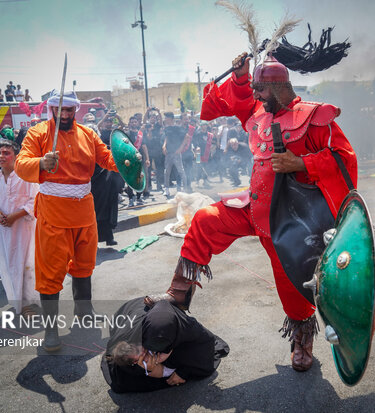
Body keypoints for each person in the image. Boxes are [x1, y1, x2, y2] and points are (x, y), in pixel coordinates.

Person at [146, 53, 357, 372]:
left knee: (293, 287)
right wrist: (242, 77)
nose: (256, 95)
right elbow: (228, 105)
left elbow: (345, 160)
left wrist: (302, 163)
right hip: (252, 205)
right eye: (255, 89)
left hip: (289, 221)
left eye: (261, 89)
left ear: (278, 87)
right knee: (204, 221)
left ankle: (302, 341)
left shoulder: (313, 116)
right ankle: (178, 293)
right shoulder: (260, 112)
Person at [15, 89, 120, 352]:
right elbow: (21, 163)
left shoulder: (88, 133)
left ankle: (84, 309)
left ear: (76, 110)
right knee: (50, 271)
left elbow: (106, 158)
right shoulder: (38, 133)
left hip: (84, 209)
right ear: (52, 109)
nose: (65, 114)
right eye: (60, 110)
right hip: (54, 212)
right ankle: (51, 330)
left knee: (85, 263)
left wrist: (125, 159)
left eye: (70, 110)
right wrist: (41, 162)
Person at [101, 298, 229, 393]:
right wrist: (144, 368)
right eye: (147, 349)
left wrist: (184, 372)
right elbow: (117, 365)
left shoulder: (188, 328)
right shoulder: (128, 335)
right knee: (126, 382)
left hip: (165, 320)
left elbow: (205, 346)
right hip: (130, 310)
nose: (154, 352)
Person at [0, 140, 39, 316]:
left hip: (26, 229)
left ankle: (29, 303)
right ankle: (18, 302)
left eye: (6, 153)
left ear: (16, 155)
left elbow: (36, 200)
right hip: (5, 232)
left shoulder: (25, 176)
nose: (1, 156)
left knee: (28, 264)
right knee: (9, 266)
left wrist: (16, 216)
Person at [91, 111, 125, 245]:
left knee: (109, 205)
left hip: (106, 177)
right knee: (95, 211)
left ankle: (109, 237)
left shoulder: (107, 139)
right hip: (92, 184)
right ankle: (93, 240)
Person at [162, 112, 190, 198]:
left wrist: (181, 148)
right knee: (167, 171)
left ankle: (185, 189)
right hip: (168, 153)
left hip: (176, 154)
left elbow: (187, 137)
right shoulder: (167, 128)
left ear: (170, 118)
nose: (165, 119)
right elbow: (167, 137)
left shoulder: (178, 128)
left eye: (166, 117)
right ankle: (166, 190)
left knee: (181, 171)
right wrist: (164, 146)